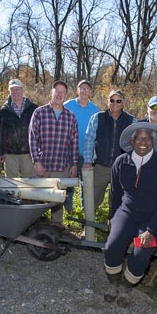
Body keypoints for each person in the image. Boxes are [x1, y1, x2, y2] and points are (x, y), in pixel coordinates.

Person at [103, 122, 157, 307]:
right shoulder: (122, 162)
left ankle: (127, 288)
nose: (143, 142)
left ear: (153, 141)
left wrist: (151, 230)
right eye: (139, 138)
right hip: (127, 212)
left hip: (156, 218)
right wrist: (113, 217)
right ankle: (114, 284)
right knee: (112, 246)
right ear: (132, 140)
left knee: (140, 253)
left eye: (147, 138)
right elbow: (115, 193)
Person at [28, 80, 79, 224]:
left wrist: (74, 164)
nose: (59, 95)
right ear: (51, 93)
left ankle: (55, 229)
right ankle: (37, 227)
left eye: (62, 93)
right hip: (42, 166)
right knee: (39, 201)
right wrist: (36, 161)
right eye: (57, 91)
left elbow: (74, 143)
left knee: (57, 203)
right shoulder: (39, 112)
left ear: (66, 96)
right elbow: (32, 138)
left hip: (61, 167)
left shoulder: (70, 117)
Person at [82, 89, 135, 209]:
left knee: (118, 202)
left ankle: (114, 227)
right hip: (100, 166)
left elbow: (134, 146)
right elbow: (89, 141)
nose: (115, 103)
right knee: (91, 200)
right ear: (108, 101)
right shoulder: (97, 118)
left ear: (123, 103)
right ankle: (88, 226)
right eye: (112, 100)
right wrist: (87, 161)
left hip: (121, 169)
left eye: (118, 100)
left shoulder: (131, 121)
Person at [63, 79, 99, 213]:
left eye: (87, 88)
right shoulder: (68, 105)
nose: (84, 90)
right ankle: (68, 209)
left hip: (87, 153)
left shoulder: (95, 109)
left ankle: (86, 210)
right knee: (69, 182)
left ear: (90, 91)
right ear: (77, 90)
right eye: (81, 88)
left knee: (86, 183)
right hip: (69, 152)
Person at [0, 79, 38, 178]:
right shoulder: (4, 110)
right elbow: (0, 132)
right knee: (11, 183)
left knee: (30, 181)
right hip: (9, 153)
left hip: (28, 152)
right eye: (12, 90)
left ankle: (27, 194)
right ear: (9, 93)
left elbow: (39, 131)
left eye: (17, 89)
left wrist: (39, 151)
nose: (15, 92)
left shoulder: (33, 108)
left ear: (22, 91)